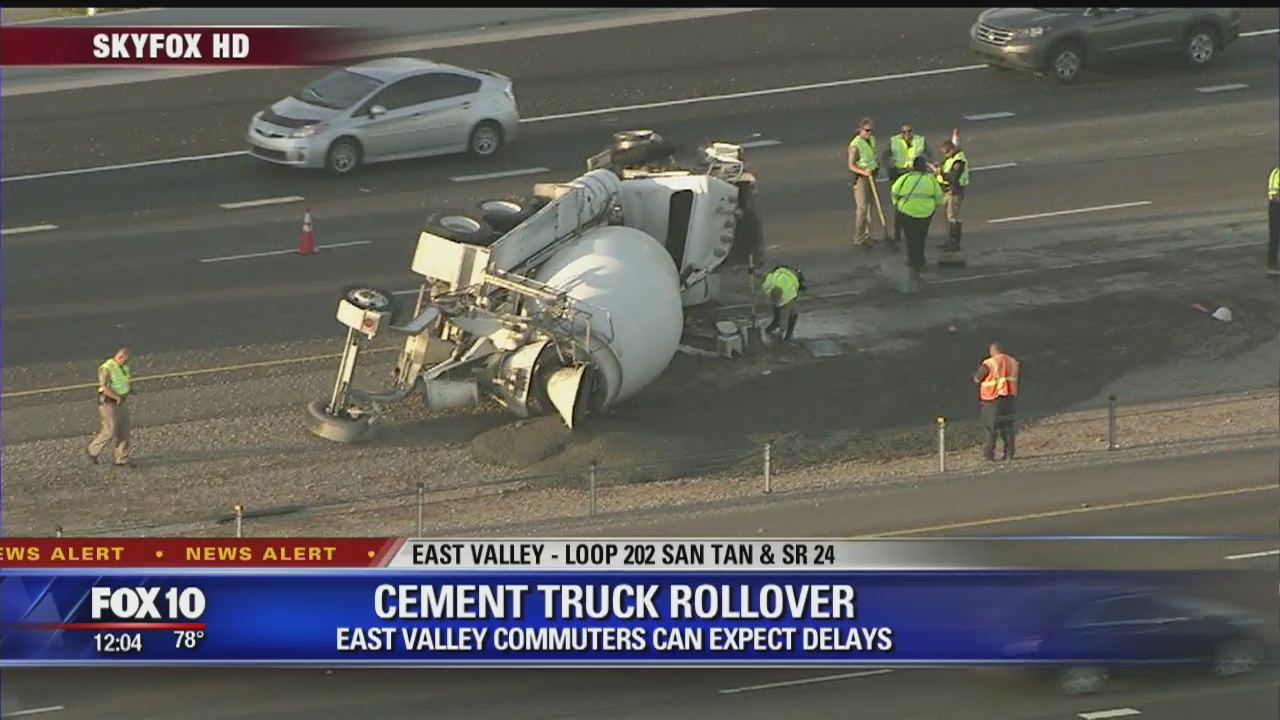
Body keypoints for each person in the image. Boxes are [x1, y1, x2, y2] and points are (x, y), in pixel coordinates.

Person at [891, 156, 946, 276]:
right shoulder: (930, 180)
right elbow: (939, 199)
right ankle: (920, 259)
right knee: (921, 237)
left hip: (906, 212)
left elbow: (894, 192)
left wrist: (897, 203)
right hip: (925, 214)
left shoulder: (904, 178)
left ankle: (912, 260)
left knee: (910, 238)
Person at [87, 346, 135, 468]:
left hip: (122, 402)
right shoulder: (107, 368)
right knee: (110, 429)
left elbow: (123, 382)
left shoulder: (124, 367)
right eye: (125, 359)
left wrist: (129, 390)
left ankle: (122, 458)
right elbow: (104, 387)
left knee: (124, 430)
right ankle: (93, 451)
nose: (127, 361)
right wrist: (116, 397)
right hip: (108, 403)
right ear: (120, 356)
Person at [973, 342, 1020, 461]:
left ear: (993, 351)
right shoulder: (1013, 362)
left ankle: (989, 454)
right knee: (1008, 427)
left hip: (992, 399)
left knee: (991, 428)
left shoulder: (990, 363)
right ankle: (1009, 453)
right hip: (1009, 399)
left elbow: (978, 378)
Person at [885, 124, 930, 243]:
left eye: (909, 131)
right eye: (904, 132)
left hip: (915, 175)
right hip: (900, 175)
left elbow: (929, 154)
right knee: (899, 207)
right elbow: (886, 156)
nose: (907, 134)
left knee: (914, 204)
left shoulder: (920, 140)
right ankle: (897, 235)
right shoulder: (894, 141)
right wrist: (890, 166)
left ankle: (912, 233)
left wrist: (928, 164)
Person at [847, 117, 880, 247]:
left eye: (871, 130)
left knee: (870, 207)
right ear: (860, 130)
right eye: (866, 130)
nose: (869, 133)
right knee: (862, 209)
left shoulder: (871, 140)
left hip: (872, 176)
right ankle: (859, 237)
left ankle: (867, 235)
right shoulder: (855, 146)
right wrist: (863, 172)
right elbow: (851, 165)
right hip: (861, 179)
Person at [935, 140, 969, 252]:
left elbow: (953, 177)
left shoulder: (958, 160)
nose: (945, 155)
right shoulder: (951, 158)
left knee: (953, 217)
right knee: (948, 216)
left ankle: (954, 243)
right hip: (948, 191)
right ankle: (950, 240)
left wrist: (941, 173)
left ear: (951, 149)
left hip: (955, 191)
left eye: (946, 152)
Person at [760, 265, 805, 343]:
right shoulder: (767, 286)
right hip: (781, 271)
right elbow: (765, 275)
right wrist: (753, 272)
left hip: (792, 280)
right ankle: (769, 331)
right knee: (777, 319)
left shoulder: (789, 295)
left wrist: (781, 331)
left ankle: (788, 337)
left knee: (793, 314)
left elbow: (785, 316)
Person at [1268, 163, 1279, 278]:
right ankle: (1272, 265)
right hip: (1276, 208)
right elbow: (1274, 194)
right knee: (1275, 237)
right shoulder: (1276, 173)